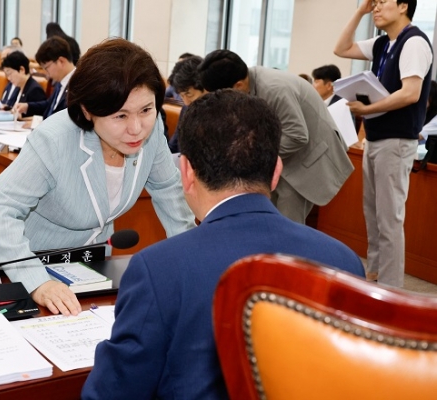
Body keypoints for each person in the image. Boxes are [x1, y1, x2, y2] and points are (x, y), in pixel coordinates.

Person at [82, 89, 365, 399]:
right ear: (276, 172)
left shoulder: (159, 268)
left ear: (186, 172)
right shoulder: (345, 262)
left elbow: (114, 392)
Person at [0, 38, 195, 316]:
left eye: (146, 110)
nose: (136, 128)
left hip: (89, 270)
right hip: (16, 265)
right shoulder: (54, 139)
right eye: (120, 116)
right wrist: (37, 282)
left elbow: (170, 192)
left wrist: (194, 263)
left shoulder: (152, 129)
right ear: (88, 111)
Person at [334, 0, 433, 287]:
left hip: (397, 140)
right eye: (373, 3)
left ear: (403, 6)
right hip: (376, 138)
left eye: (382, 2)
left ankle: (391, 289)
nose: (376, 7)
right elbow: (341, 49)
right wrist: (359, 11)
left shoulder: (414, 42)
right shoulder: (382, 43)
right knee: (373, 215)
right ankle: (374, 274)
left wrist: (366, 111)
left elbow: (411, 93)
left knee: (389, 220)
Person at [198, 50, 354, 224]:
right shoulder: (250, 83)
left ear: (238, 85)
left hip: (304, 162)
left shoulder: (275, 89)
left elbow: (297, 135)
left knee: (288, 226)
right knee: (266, 221)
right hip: (281, 162)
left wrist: (255, 157)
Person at [13, 37, 75, 119]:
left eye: (46, 68)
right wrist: (27, 106)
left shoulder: (79, 85)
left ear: (61, 61)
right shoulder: (60, 82)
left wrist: (38, 123)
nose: (46, 73)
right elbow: (50, 104)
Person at [166, 55, 204, 153]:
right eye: (182, 96)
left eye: (189, 94)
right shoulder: (186, 109)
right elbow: (174, 144)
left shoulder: (221, 114)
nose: (186, 102)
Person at [1, 51, 47, 116]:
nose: (9, 78)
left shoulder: (35, 90)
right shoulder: (18, 86)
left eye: (10, 73)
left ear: (22, 70)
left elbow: (38, 117)